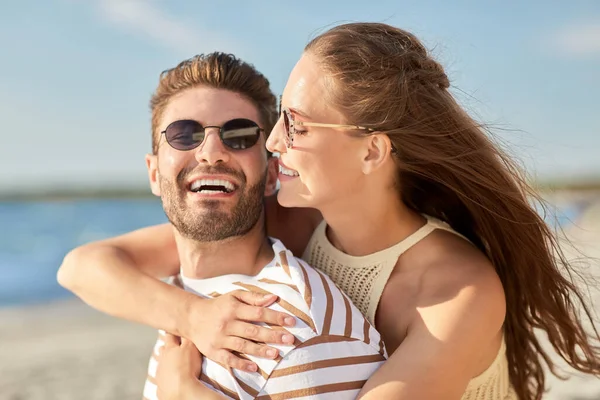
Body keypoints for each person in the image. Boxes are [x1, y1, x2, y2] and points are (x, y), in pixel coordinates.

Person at [58, 23, 600, 400]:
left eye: (296, 124)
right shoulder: (298, 217)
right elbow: (84, 266)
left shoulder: (456, 292)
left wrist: (183, 392)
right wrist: (191, 315)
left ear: (371, 150)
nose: (271, 142)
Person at [105, 52, 385, 400]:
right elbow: (82, 266)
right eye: (184, 134)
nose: (211, 152)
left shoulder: (297, 330)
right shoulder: (183, 292)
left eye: (239, 135)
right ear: (153, 174)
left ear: (271, 176)